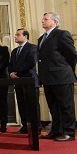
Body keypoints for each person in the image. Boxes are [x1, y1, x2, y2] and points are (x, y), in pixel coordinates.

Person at [38, 12, 76, 142]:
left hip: (62, 76)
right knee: (53, 107)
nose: (42, 21)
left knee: (66, 106)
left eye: (46, 19)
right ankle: (56, 131)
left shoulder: (62, 34)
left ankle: (69, 132)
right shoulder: (41, 38)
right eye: (42, 19)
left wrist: (67, 70)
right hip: (48, 78)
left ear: (54, 22)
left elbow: (72, 55)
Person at [8, 28, 41, 134]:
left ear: (25, 36)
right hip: (18, 82)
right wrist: (11, 73)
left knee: (32, 105)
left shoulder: (32, 48)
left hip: (30, 81)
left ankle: (36, 127)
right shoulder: (14, 51)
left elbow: (30, 63)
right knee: (21, 105)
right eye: (15, 34)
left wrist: (17, 73)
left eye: (18, 34)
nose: (15, 36)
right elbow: (10, 65)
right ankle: (25, 126)